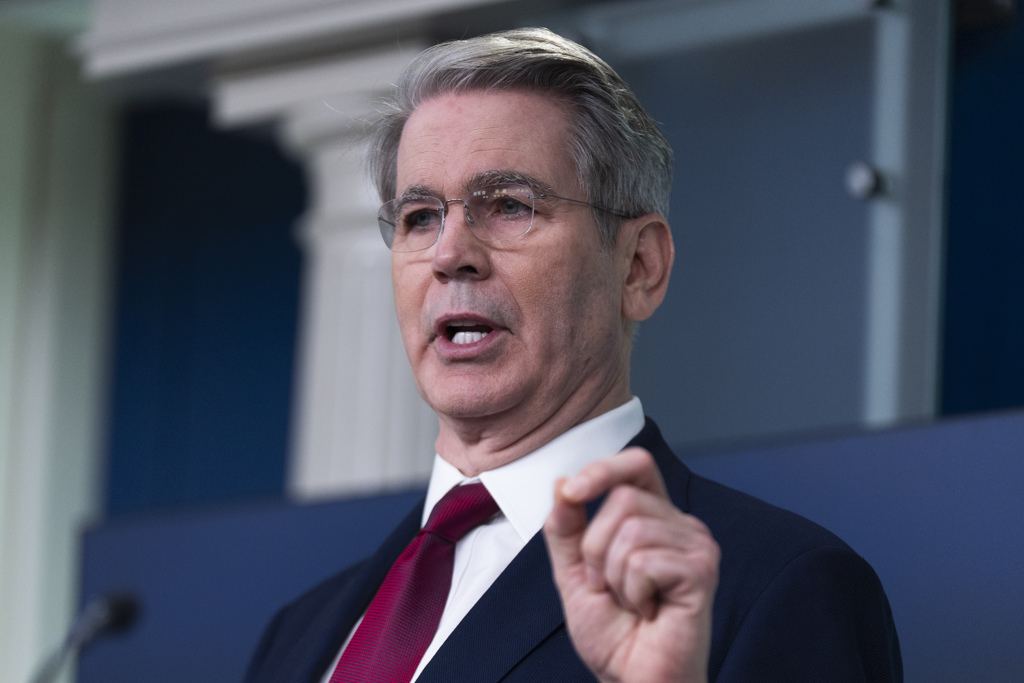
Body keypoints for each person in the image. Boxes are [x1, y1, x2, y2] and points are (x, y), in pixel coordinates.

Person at [244, 28, 901, 683]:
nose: (449, 254)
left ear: (639, 267)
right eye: (420, 216)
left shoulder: (773, 587)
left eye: (509, 205)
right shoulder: (296, 635)